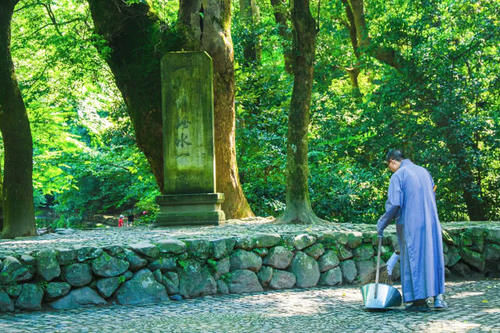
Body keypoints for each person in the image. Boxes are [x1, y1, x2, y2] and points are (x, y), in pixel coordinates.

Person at [377, 149, 447, 312]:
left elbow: (394, 204)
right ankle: (438, 298)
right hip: (431, 222)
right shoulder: (424, 171)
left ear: (392, 161)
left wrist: (381, 224)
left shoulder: (399, 175)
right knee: (432, 256)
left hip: (411, 223)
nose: (390, 170)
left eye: (389, 166)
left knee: (414, 258)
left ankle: (419, 300)